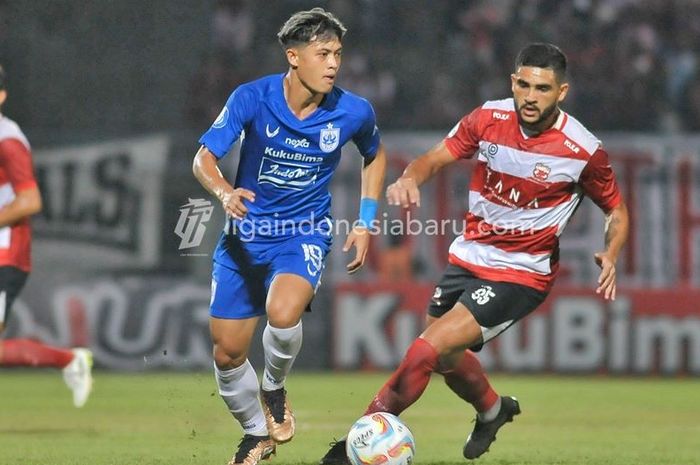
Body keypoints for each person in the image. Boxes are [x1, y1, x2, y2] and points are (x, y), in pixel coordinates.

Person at [320, 42, 629, 463]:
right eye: (523, 84)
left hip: (522, 272)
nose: (530, 96)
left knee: (425, 350)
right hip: (468, 258)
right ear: (513, 82)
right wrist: (410, 178)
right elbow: (432, 159)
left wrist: (611, 251)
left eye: (542, 88)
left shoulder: (582, 150)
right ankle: (492, 409)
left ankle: (352, 444)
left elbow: (617, 210)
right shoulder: (488, 118)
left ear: (562, 92)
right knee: (446, 356)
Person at [192, 8, 386, 465]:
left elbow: (374, 156)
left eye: (338, 53)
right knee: (226, 354)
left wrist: (365, 221)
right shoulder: (252, 98)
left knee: (283, 313)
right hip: (243, 240)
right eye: (323, 54)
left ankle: (274, 388)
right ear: (293, 56)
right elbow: (203, 158)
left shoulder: (354, 111)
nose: (334, 63)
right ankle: (255, 435)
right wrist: (223, 192)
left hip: (303, 234)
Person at [0, 64, 93, 408]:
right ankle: (69, 360)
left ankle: (68, 360)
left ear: (2, 96)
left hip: (6, 253)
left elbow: (30, 199)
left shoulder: (7, 139)